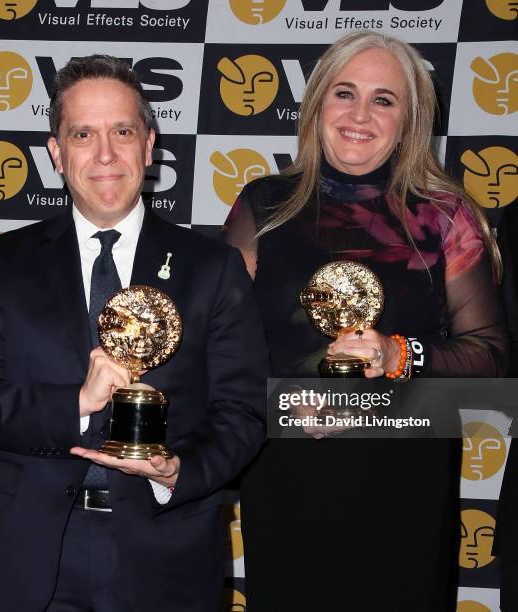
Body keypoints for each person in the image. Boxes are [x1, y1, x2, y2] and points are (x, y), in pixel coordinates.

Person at [0, 55, 268, 612]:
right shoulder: (2, 263)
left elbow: (243, 413)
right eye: (83, 134)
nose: (105, 154)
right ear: (56, 152)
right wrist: (77, 403)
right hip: (39, 557)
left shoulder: (211, 267)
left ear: (149, 145)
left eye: (122, 131)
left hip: (170, 555)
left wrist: (179, 468)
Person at [224, 31, 508, 612]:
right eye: (344, 92)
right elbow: (220, 345)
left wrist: (399, 355)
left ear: (410, 119)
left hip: (404, 483)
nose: (360, 114)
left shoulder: (445, 216)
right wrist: (281, 405)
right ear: (317, 106)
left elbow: (492, 354)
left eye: (384, 99)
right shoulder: (264, 206)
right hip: (288, 479)